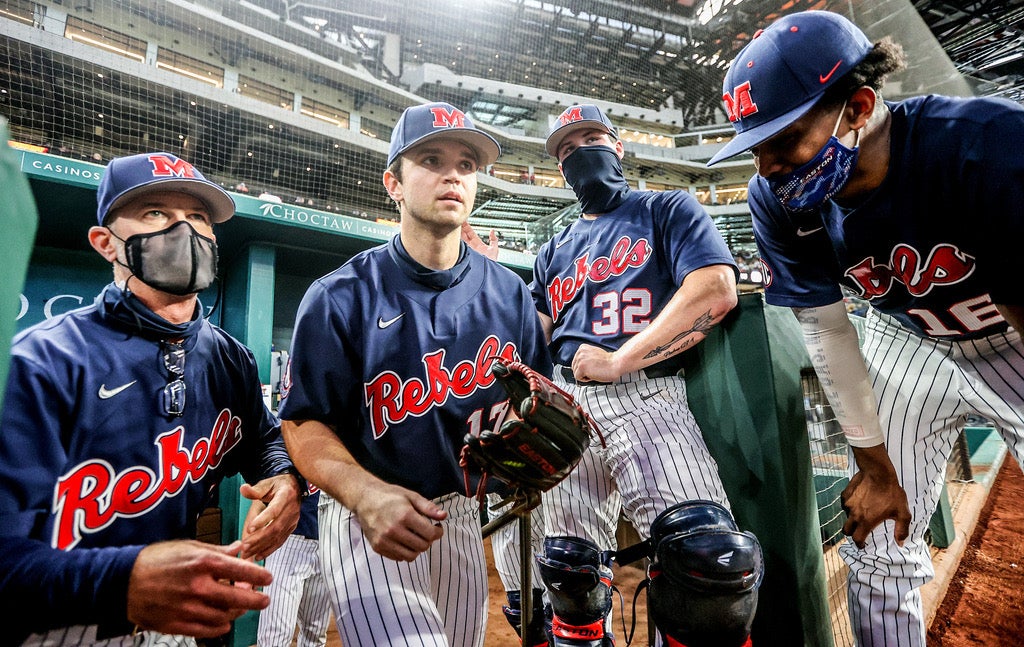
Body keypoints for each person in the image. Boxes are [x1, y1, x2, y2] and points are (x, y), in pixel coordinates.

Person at [707, 10, 1024, 646]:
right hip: (903, 337)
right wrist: (873, 465)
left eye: (784, 140)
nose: (766, 167)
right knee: (876, 539)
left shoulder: (990, 145)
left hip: (1012, 340)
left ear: (858, 106)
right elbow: (825, 331)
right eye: (755, 147)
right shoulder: (774, 200)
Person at [0, 151, 305, 646]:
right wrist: (121, 579)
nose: (183, 231)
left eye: (199, 217)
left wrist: (284, 479)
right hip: (62, 625)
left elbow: (264, 440)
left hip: (176, 623)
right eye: (156, 214)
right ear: (106, 243)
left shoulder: (229, 357)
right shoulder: (42, 362)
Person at [277, 102, 552, 647]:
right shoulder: (338, 297)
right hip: (364, 511)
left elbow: (534, 403)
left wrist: (531, 454)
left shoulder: (509, 294)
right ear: (393, 184)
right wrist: (363, 494)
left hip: (460, 516)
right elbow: (303, 423)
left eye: (467, 164)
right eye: (431, 158)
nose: (453, 173)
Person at [525, 104, 763, 647]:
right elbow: (530, 335)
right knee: (569, 570)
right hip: (567, 406)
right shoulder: (553, 250)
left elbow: (716, 290)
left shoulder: (665, 208)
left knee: (707, 561)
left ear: (619, 147)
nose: (577, 153)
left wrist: (618, 361)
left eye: (589, 138)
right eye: (565, 149)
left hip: (648, 395)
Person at [257, 487, 331, 647]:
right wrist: (247, 557)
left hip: (328, 542)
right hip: (289, 542)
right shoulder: (291, 461)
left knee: (315, 635)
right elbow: (259, 501)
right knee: (274, 638)